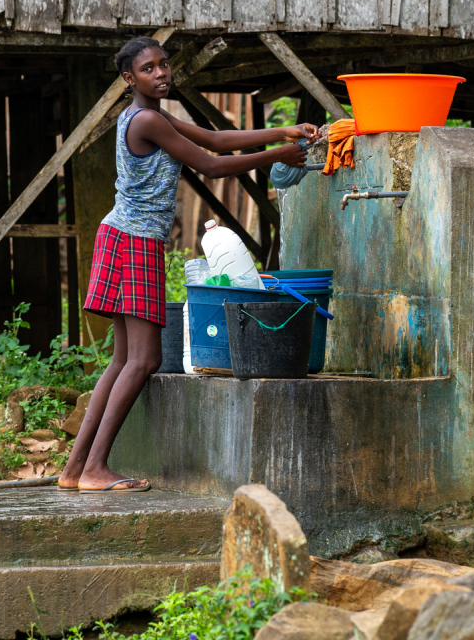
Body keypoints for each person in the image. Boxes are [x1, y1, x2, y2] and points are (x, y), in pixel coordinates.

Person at [60, 36, 319, 493]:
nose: (161, 74)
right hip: (134, 241)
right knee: (144, 359)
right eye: (149, 69)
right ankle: (96, 468)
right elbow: (212, 166)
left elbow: (217, 139)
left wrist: (282, 132)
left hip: (121, 236)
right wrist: (278, 156)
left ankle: (75, 469)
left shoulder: (154, 117)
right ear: (129, 79)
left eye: (165, 65)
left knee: (123, 359)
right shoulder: (145, 120)